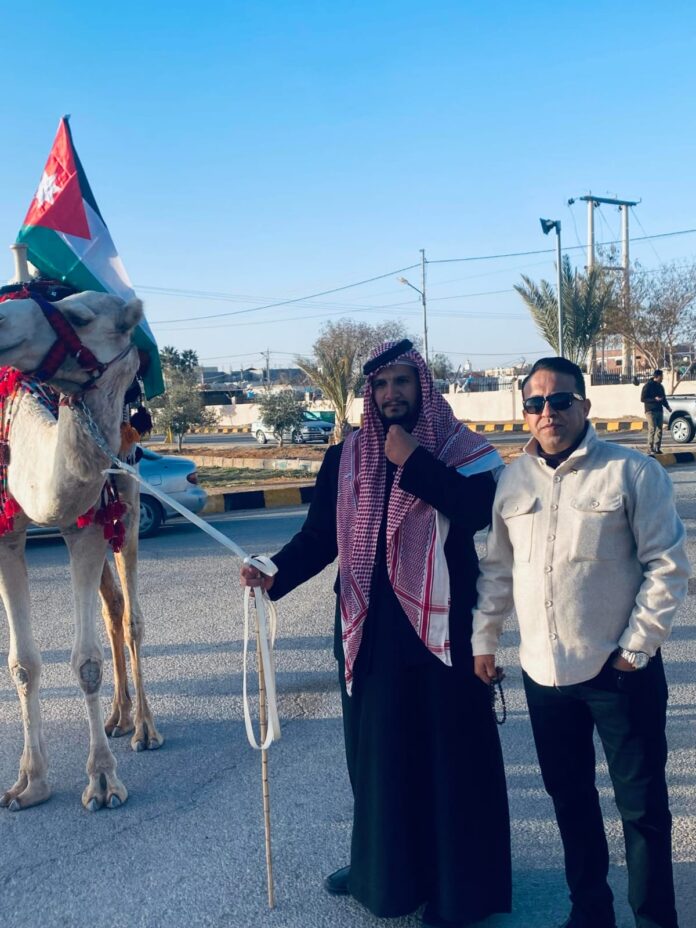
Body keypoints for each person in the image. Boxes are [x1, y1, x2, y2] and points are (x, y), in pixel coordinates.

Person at [241, 339, 512, 927]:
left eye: (402, 382)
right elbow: (321, 537)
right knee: (377, 754)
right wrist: (274, 572)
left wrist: (414, 461)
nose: (391, 394)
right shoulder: (346, 457)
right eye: (381, 384)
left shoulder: (462, 450)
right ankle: (383, 871)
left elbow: (478, 513)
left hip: (444, 630)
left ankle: (454, 889)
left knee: (448, 755)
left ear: (423, 386)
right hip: (369, 630)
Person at [472, 356, 689, 928]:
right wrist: (484, 640)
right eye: (535, 403)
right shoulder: (512, 481)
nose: (548, 412)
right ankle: (590, 912)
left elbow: (666, 568)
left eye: (560, 400)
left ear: (584, 406)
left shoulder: (632, 473)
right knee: (570, 802)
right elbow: (497, 569)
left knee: (642, 808)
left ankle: (654, 919)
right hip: (544, 676)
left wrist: (636, 649)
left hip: (621, 673)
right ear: (525, 413)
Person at [640, 369, 671, 454]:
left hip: (659, 410)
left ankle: (657, 447)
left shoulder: (661, 387)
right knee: (652, 428)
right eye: (661, 377)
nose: (662, 378)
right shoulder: (648, 385)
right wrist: (654, 399)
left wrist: (668, 407)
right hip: (650, 410)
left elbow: (663, 399)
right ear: (657, 377)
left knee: (659, 429)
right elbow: (643, 399)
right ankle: (650, 448)